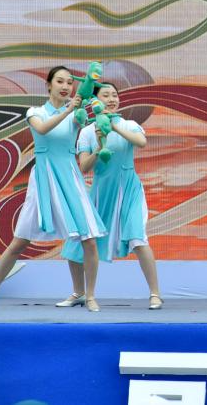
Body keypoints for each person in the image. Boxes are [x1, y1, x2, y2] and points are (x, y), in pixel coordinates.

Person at [0, 65, 107, 312]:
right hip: (45, 178)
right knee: (19, 242)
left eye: (69, 82)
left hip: (70, 177)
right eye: (60, 81)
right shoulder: (35, 112)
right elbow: (43, 129)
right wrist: (69, 109)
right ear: (48, 85)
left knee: (89, 240)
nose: (66, 86)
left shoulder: (76, 114)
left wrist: (96, 120)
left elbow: (88, 121)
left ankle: (89, 295)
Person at [59, 82, 162, 309]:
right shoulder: (87, 132)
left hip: (129, 190)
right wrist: (98, 146)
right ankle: (79, 292)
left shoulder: (129, 125)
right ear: (95, 101)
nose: (112, 99)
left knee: (138, 238)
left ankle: (155, 294)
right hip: (100, 193)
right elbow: (84, 166)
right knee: (78, 243)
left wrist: (114, 127)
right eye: (106, 95)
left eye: (115, 95)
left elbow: (141, 142)